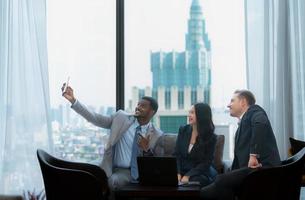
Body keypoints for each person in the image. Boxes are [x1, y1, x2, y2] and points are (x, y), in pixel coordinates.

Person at [61, 83, 163, 190]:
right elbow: (95, 118)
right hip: (110, 164)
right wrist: (73, 100)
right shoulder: (121, 118)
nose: (138, 107)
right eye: (138, 104)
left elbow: (156, 166)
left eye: (143, 106)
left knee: (112, 181)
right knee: (82, 172)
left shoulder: (157, 135)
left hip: (130, 172)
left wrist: (146, 149)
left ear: (152, 112)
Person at [200, 89, 281, 200]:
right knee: (209, 190)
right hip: (250, 173)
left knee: (219, 182)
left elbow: (260, 123)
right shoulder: (241, 126)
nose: (228, 105)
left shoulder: (254, 111)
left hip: (263, 170)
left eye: (232, 101)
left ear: (243, 102)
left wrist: (254, 155)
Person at [175, 103, 218, 187]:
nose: (189, 115)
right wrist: (178, 172)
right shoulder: (183, 130)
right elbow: (177, 154)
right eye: (189, 112)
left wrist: (189, 175)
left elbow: (206, 162)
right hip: (182, 170)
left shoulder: (211, 137)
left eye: (192, 113)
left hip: (199, 172)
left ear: (201, 115)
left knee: (198, 181)